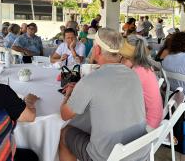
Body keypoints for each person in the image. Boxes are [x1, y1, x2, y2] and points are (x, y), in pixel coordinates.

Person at [59, 28, 147, 161]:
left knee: (65, 133)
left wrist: (68, 95)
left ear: (97, 50)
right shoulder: (133, 74)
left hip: (108, 157)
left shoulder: (90, 81)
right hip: (139, 151)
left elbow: (65, 115)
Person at [120, 34, 163, 131]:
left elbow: (124, 97)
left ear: (130, 58)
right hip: (154, 116)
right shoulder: (144, 66)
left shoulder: (137, 72)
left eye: (124, 58)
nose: (121, 60)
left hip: (148, 124)